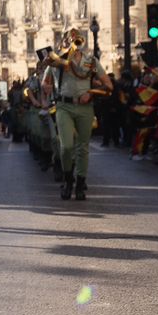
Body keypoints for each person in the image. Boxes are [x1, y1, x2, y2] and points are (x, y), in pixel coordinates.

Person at [43, 30, 110, 201]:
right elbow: (45, 82)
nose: (74, 43)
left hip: (85, 107)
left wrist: (91, 92)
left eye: (77, 40)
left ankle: (80, 184)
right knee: (65, 147)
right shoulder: (56, 61)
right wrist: (47, 87)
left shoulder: (91, 61)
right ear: (63, 42)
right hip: (64, 106)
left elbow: (108, 85)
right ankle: (68, 180)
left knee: (83, 148)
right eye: (70, 40)